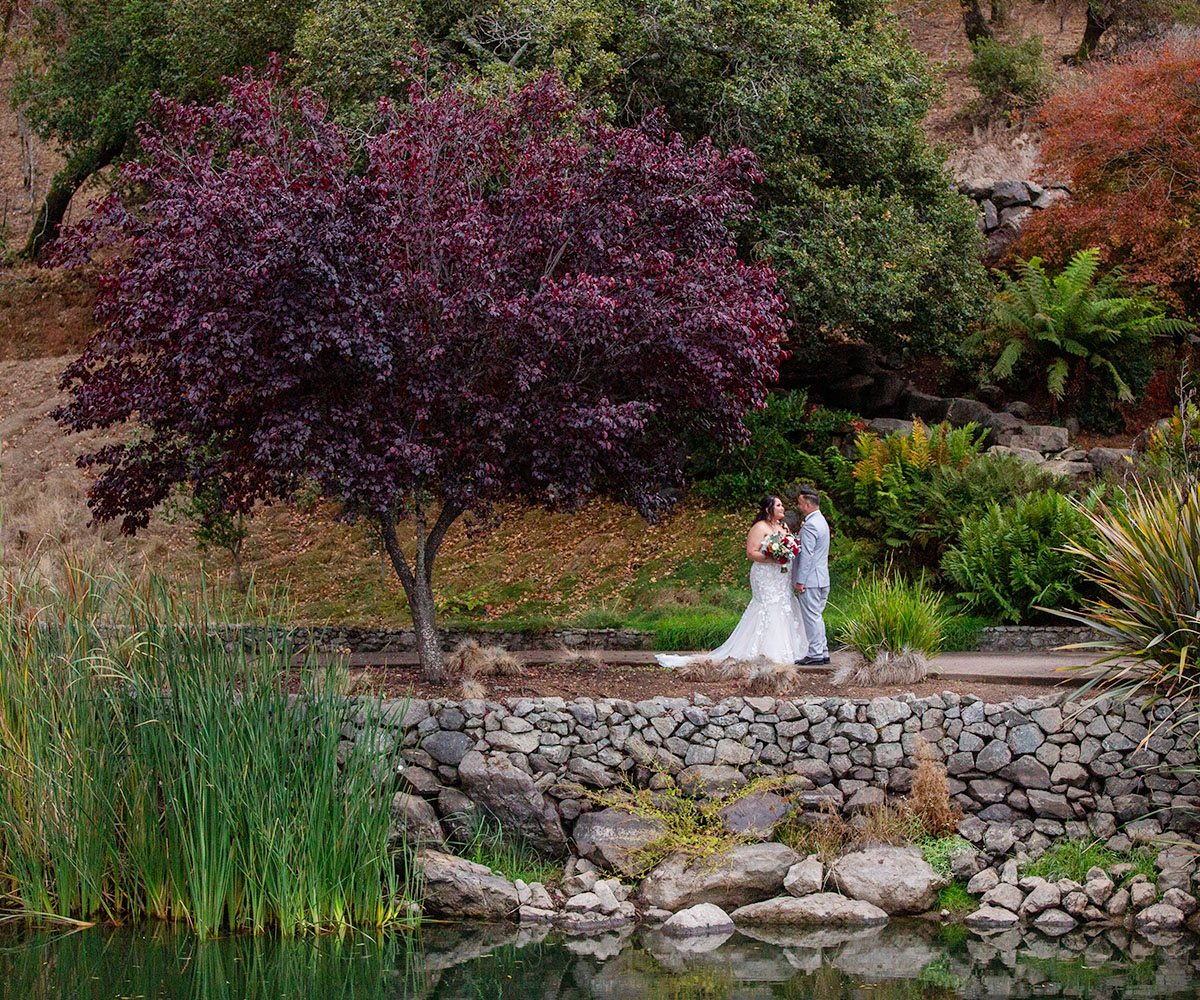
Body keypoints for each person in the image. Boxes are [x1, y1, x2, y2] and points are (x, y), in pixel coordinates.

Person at [656, 495, 807, 667]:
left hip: (781, 575)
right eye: (778, 505)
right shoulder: (759, 527)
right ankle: (763, 651)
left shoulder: (783, 526)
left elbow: (790, 547)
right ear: (768, 509)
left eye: (782, 505)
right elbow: (751, 553)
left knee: (784, 604)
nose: (783, 508)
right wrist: (773, 558)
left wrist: (787, 553)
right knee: (768, 606)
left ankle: (789, 650)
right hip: (765, 574)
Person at [789, 486, 831, 665]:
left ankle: (815, 653)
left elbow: (807, 555)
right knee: (817, 616)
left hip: (811, 580)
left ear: (807, 504)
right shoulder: (821, 521)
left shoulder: (811, 525)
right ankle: (823, 650)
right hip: (822, 577)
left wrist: (800, 580)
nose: (799, 507)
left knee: (811, 617)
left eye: (800, 504)